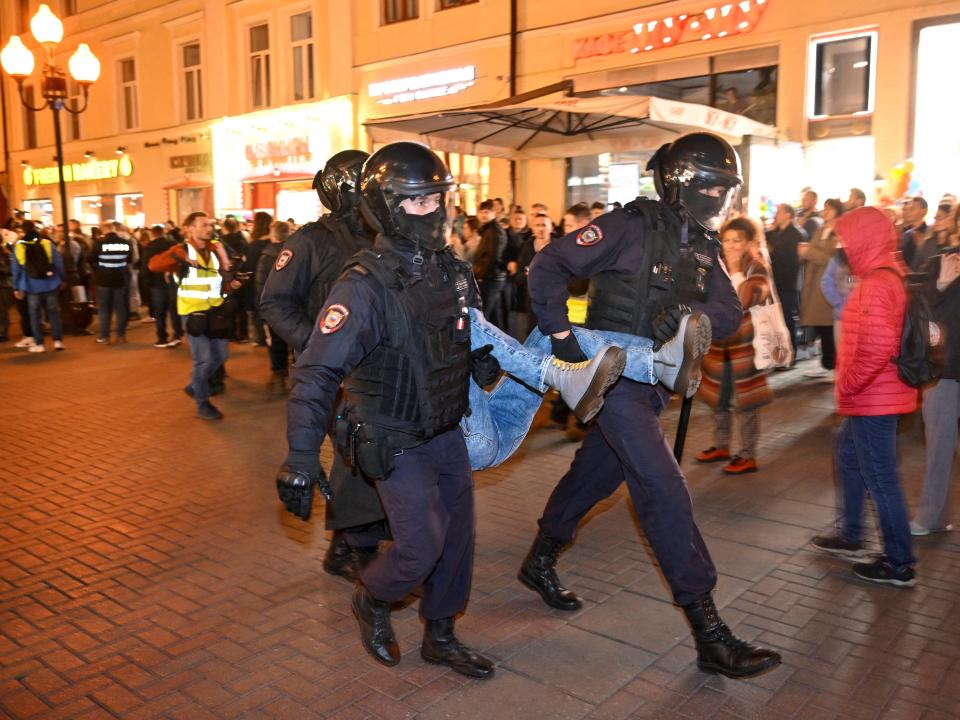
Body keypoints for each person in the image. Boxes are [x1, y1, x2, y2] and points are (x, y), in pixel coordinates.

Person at [519, 132, 781, 678]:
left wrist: (688, 311)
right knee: (662, 488)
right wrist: (566, 346)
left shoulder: (703, 244)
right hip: (611, 379)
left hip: (653, 385)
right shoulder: (627, 225)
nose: (718, 196)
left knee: (596, 476)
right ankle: (710, 633)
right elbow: (546, 267)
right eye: (710, 184)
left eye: (724, 187)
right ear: (681, 183)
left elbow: (728, 311)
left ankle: (540, 558)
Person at [278, 142, 496, 677]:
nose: (431, 213)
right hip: (392, 437)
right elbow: (317, 370)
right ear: (385, 207)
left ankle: (441, 636)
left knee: (458, 543)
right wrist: (301, 456)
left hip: (446, 430)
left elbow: (465, 332)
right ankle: (373, 598)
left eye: (437, 200)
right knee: (420, 547)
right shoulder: (363, 284)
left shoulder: (452, 270)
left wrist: (481, 362)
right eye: (415, 203)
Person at [261, 151, 384, 579]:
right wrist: (316, 347)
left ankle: (351, 542)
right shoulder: (309, 242)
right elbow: (274, 302)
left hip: (376, 369)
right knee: (355, 453)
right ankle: (352, 546)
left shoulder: (382, 236)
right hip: (334, 372)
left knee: (371, 453)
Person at [811, 207, 917, 587]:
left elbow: (876, 347)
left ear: (865, 239)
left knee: (881, 477)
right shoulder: (888, 273)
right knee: (849, 454)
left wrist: (849, 386)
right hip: (880, 394)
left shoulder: (876, 283)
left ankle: (898, 562)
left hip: (874, 397)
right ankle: (852, 534)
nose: (843, 245)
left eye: (847, 238)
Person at [695, 217, 773, 475]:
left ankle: (748, 454)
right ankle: (721, 445)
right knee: (718, 397)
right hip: (719, 343)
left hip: (746, 345)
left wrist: (738, 266)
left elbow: (746, 298)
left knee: (746, 401)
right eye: (726, 240)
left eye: (737, 241)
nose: (730, 246)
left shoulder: (756, 266)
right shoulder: (714, 265)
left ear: (749, 242)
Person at [148, 212, 240, 420]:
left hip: (215, 310)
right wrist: (178, 256)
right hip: (192, 313)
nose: (209, 228)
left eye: (210, 224)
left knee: (221, 356)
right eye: (203, 225)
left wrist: (231, 285)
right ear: (189, 229)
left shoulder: (215, 249)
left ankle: (194, 384)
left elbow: (216, 278)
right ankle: (202, 404)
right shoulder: (181, 250)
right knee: (204, 360)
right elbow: (153, 265)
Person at [910, 248, 960, 535]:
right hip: (945, 368)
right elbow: (922, 312)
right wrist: (940, 285)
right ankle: (933, 515)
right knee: (940, 444)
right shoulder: (941, 263)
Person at [799, 198, 842, 377]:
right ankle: (828, 360)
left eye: (828, 208)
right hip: (815, 283)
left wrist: (809, 252)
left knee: (829, 324)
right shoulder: (822, 229)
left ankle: (832, 361)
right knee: (822, 324)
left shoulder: (840, 231)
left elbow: (834, 258)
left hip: (830, 284)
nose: (825, 211)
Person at [10, 220, 65, 353]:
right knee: (53, 313)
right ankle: (58, 341)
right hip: (50, 283)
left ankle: (39, 344)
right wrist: (61, 278)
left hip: (31, 285)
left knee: (34, 315)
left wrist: (16, 287)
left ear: (22, 231)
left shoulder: (20, 246)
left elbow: (16, 269)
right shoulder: (47, 243)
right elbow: (58, 263)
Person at [256, 220, 292, 394]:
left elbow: (261, 285)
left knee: (276, 343)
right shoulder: (296, 252)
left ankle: (279, 377)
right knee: (294, 342)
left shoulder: (267, 255)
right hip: (294, 307)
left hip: (275, 309)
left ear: (273, 233)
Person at [765, 203, 806, 357]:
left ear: (788, 215)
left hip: (787, 282)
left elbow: (793, 260)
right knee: (774, 319)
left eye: (780, 212)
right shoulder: (775, 232)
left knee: (787, 318)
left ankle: (791, 352)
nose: (776, 214)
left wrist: (773, 251)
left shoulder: (796, 234)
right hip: (773, 281)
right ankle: (778, 352)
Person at [90, 221, 134, 344]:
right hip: (120, 279)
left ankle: (104, 336)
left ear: (104, 231)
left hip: (103, 279)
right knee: (121, 309)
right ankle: (121, 335)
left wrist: (98, 270)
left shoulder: (99, 243)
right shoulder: (126, 243)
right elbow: (129, 260)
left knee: (104, 309)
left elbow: (90, 258)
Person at [141, 225, 183, 348]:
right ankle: (177, 334)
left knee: (159, 312)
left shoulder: (150, 247)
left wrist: (146, 283)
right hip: (173, 281)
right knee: (174, 309)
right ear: (163, 232)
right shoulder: (174, 244)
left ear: (152, 234)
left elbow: (146, 266)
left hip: (156, 283)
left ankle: (162, 337)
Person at [473, 199, 509, 330]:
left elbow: (492, 257)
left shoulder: (494, 231)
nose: (483, 215)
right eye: (481, 212)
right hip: (491, 277)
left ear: (494, 213)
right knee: (494, 316)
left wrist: (481, 275)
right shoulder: (488, 229)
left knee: (485, 315)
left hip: (491, 278)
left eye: (487, 212)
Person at [242, 211, 272, 345]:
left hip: (255, 283)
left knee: (256, 312)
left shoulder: (253, 246)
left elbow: (249, 267)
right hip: (272, 282)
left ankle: (260, 338)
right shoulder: (274, 243)